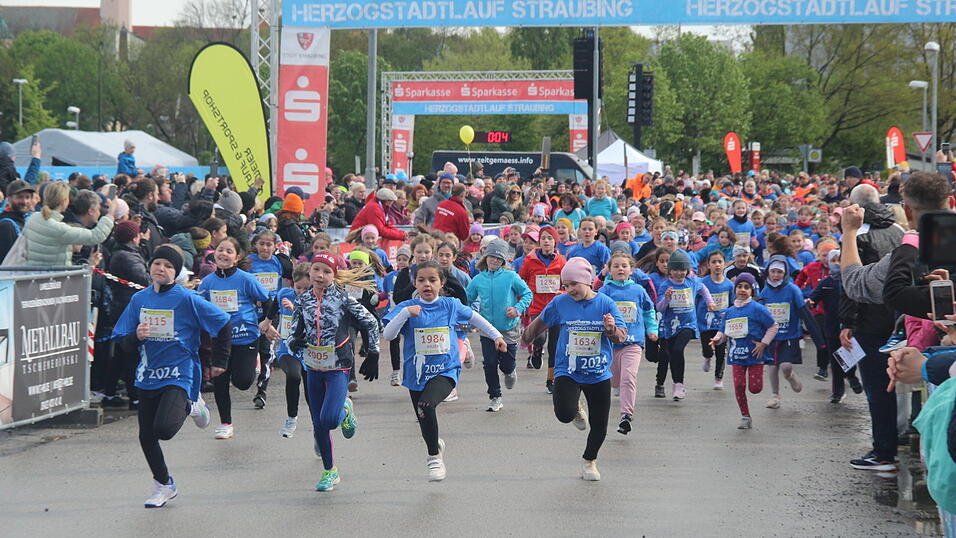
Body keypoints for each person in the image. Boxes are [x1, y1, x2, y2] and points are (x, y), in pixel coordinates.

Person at [111, 244, 232, 508]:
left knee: (164, 430)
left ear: (176, 273)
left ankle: (191, 404)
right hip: (148, 374)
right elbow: (123, 342)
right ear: (150, 267)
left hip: (180, 372)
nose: (161, 269)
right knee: (146, 436)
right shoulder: (139, 299)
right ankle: (164, 484)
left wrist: (219, 362)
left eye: (168, 266)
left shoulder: (186, 298)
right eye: (157, 264)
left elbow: (223, 323)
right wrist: (136, 336)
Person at [383, 260, 506, 481]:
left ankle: (434, 459)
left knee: (426, 405)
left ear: (441, 282)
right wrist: (405, 314)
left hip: (445, 370)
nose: (427, 284)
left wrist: (496, 336)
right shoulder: (406, 307)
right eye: (421, 280)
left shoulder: (450, 305)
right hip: (416, 373)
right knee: (424, 416)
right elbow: (388, 335)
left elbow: (476, 319)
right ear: (415, 283)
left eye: (432, 280)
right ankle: (435, 443)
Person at [520, 257, 627, 481]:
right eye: (566, 285)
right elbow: (541, 322)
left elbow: (621, 336)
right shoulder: (561, 303)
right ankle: (576, 407)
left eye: (573, 284)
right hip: (567, 370)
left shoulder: (606, 303)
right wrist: (525, 337)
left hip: (598, 373)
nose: (569, 290)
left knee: (600, 426)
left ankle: (589, 461)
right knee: (564, 414)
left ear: (586, 281)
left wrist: (610, 329)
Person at [286, 252, 381, 491]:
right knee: (318, 424)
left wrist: (373, 352)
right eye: (317, 269)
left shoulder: (343, 298)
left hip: (338, 365)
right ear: (310, 271)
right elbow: (295, 329)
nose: (320, 275)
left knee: (328, 419)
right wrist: (293, 341)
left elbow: (370, 322)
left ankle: (345, 408)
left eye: (327, 271)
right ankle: (330, 471)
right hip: (313, 365)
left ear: (334, 275)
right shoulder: (303, 299)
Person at [197, 237, 273, 440]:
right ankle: (225, 423)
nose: (223, 254)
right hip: (220, 340)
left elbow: (268, 301)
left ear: (236, 257)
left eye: (229, 251)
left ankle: (253, 360)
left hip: (246, 337)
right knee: (220, 381)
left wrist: (267, 322)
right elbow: (198, 308)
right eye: (220, 249)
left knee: (242, 382)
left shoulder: (245, 279)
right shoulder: (207, 283)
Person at [466, 239, 532, 412]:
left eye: (498, 258)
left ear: (504, 261)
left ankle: (510, 371)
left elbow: (527, 294)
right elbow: (467, 299)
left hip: (509, 328)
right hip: (488, 329)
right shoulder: (478, 279)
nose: (494, 261)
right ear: (485, 257)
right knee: (489, 362)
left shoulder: (511, 277)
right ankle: (495, 396)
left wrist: (517, 309)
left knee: (506, 364)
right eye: (491, 257)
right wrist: (468, 316)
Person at [598, 251, 657, 434]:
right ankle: (617, 387)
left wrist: (652, 330)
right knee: (614, 380)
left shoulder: (638, 290)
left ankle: (626, 416)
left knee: (629, 377)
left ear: (631, 269)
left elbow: (648, 311)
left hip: (633, 342)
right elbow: (595, 312)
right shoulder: (605, 291)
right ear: (609, 270)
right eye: (616, 266)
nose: (620, 269)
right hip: (611, 343)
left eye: (624, 265)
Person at [710, 273, 777, 429]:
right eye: (739, 286)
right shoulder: (729, 311)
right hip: (736, 355)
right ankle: (745, 416)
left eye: (746, 287)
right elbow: (724, 331)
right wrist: (717, 339)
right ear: (735, 289)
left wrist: (763, 343)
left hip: (755, 354)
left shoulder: (758, 309)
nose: (742, 290)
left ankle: (747, 413)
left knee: (755, 388)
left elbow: (773, 326)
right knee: (739, 385)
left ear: (752, 290)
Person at [654, 250, 716, 400]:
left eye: (682, 270)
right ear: (670, 270)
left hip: (688, 324)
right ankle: (676, 384)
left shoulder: (692, 282)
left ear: (687, 270)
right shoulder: (665, 286)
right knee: (674, 354)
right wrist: (667, 299)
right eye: (675, 269)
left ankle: (679, 384)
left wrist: (710, 301)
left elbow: (703, 289)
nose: (679, 273)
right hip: (671, 326)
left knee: (678, 349)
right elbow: (659, 307)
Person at [518, 226, 567, 392]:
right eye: (543, 238)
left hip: (556, 308)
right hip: (537, 306)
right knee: (539, 337)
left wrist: (563, 291)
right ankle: (537, 350)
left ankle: (551, 380)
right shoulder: (530, 261)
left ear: (555, 242)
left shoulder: (561, 262)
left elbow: (567, 283)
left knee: (555, 345)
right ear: (539, 241)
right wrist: (523, 301)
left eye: (550, 238)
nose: (546, 241)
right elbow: (520, 281)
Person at [24, 181, 114, 266]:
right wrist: (110, 214)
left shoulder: (33, 218)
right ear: (64, 201)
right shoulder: (59, 229)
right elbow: (96, 236)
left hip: (33, 274)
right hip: (54, 278)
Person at [760, 255, 807, 409]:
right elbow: (759, 314)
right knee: (772, 366)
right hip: (771, 336)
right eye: (772, 272)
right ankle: (775, 395)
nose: (775, 275)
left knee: (786, 366)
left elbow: (803, 311)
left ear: (785, 273)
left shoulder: (793, 289)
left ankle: (791, 376)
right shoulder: (765, 291)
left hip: (789, 335)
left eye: (779, 272)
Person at [698, 250, 734, 390]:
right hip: (705, 323)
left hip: (722, 324)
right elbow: (696, 300)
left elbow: (731, 304)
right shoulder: (703, 283)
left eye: (720, 262)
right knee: (708, 349)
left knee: (721, 352)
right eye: (714, 262)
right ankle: (707, 357)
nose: (717, 265)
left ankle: (718, 378)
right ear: (708, 265)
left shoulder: (729, 285)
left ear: (724, 264)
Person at [0, 180, 35, 261]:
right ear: (9, 199)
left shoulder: (25, 219)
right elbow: (7, 260)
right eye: (20, 197)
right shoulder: (6, 225)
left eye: (27, 197)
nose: (25, 202)